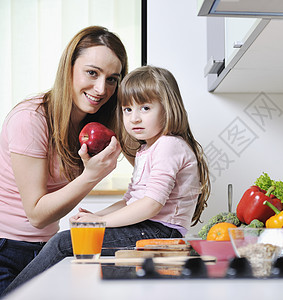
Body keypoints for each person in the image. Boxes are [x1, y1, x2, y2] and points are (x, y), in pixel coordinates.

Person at [2, 65, 211, 296]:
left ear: (168, 108)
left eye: (145, 108)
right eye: (127, 109)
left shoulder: (168, 146)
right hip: (151, 227)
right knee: (70, 244)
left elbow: (151, 204)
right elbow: (131, 200)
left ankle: (13, 296)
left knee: (64, 243)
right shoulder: (148, 149)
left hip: (160, 231)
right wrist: (96, 216)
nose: (135, 118)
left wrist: (99, 223)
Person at [0, 26, 127, 295]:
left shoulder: (94, 124)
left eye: (112, 79)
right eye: (92, 73)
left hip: (42, 249)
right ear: (68, 68)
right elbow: (36, 215)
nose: (101, 88)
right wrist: (92, 175)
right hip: (5, 251)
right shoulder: (31, 119)